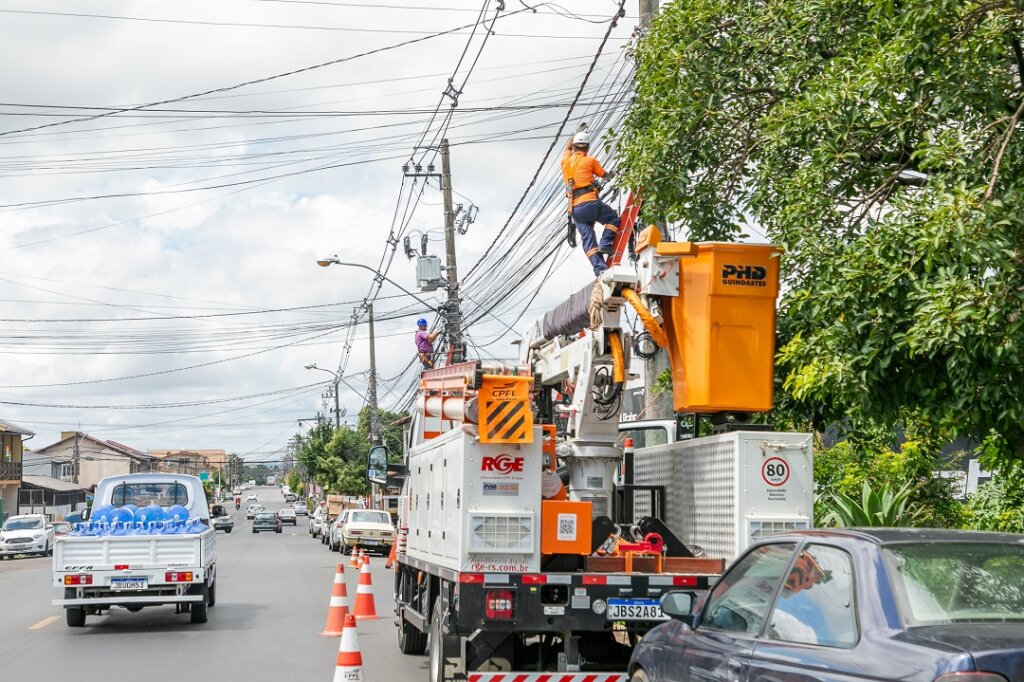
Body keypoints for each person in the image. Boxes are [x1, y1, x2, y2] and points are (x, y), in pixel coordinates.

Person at [560, 131, 620, 276]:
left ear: (574, 147)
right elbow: (604, 175)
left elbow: (567, 149)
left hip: (575, 209)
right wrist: (613, 175)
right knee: (612, 218)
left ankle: (600, 269)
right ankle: (605, 244)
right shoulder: (590, 161)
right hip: (590, 202)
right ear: (587, 147)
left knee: (588, 240)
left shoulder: (565, 161)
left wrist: (573, 133)